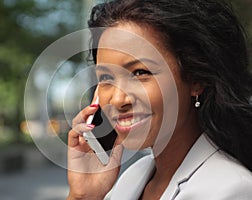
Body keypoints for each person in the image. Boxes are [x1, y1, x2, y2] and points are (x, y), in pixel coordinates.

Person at [67, 0, 252, 199]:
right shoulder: (135, 176)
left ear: (196, 79)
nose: (119, 99)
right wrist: (83, 196)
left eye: (140, 73)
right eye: (106, 78)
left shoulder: (230, 190)